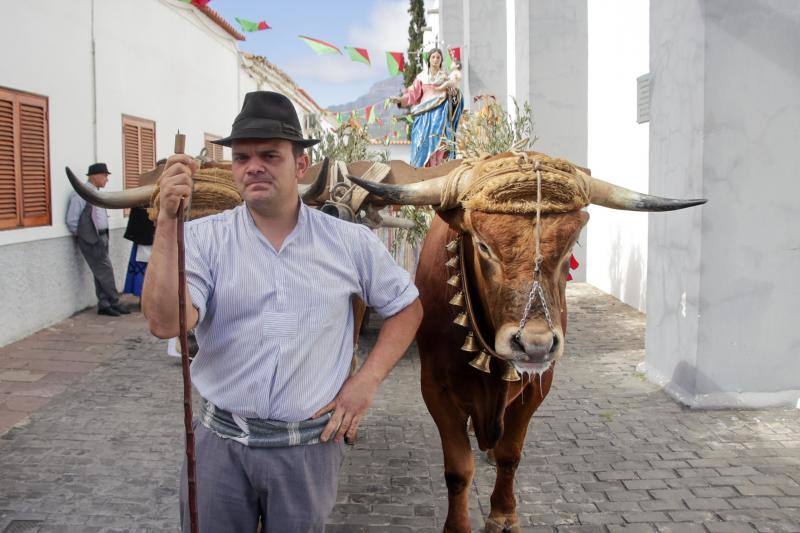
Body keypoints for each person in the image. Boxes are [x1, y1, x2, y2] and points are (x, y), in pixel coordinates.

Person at [142, 91, 423, 532]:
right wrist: (166, 225)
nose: (253, 166)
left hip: (308, 451)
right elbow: (165, 322)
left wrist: (366, 382)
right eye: (242, 157)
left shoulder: (350, 243)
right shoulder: (201, 238)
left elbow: (406, 307)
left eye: (270, 155)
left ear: (300, 164)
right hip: (220, 446)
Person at [65, 163, 130, 317]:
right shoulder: (81, 194)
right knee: (105, 270)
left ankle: (104, 304)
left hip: (102, 235)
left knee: (100, 272)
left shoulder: (95, 193)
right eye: (105, 175)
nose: (107, 179)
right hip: (91, 238)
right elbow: (71, 220)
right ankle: (114, 301)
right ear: (94, 176)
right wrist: (83, 236)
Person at [391, 47, 464, 168]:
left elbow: (455, 96)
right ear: (429, 60)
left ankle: (438, 169)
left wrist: (454, 94)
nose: (435, 60)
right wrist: (400, 99)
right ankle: (423, 170)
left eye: (438, 57)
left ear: (441, 61)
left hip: (441, 115)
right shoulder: (421, 78)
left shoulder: (446, 77)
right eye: (433, 57)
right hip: (424, 117)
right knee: (421, 143)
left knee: (440, 144)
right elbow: (412, 95)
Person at [122, 206, 155, 301]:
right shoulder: (140, 206)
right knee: (142, 266)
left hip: (157, 237)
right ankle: (144, 297)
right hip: (144, 235)